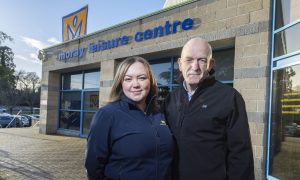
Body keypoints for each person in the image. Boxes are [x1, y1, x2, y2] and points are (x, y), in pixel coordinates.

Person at [162, 38, 254, 180]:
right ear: (180, 64)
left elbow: (241, 154)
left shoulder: (229, 98)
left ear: (211, 64)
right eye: (189, 60)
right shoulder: (170, 99)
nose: (195, 66)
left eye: (202, 60)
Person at [85, 56, 174, 180]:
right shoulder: (107, 115)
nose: (135, 84)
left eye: (142, 78)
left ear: (151, 81)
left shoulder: (160, 114)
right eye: (128, 79)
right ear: (121, 83)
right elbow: (93, 167)